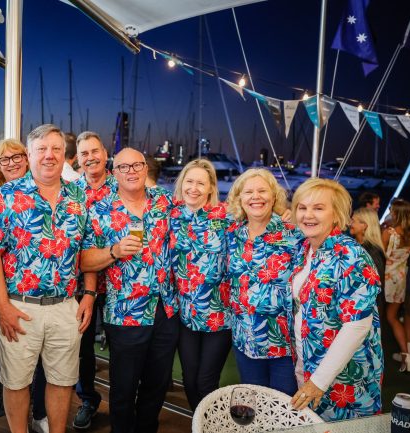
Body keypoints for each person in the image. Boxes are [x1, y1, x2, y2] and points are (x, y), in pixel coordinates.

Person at [0, 124, 94, 433]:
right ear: (29, 154)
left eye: (56, 149)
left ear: (64, 155)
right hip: (20, 307)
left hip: (66, 306)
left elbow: (87, 249)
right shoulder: (5, 197)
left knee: (62, 380)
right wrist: (2, 307)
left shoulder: (79, 196)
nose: (49, 155)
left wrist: (89, 294)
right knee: (16, 382)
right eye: (42, 149)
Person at [81, 147, 178, 433]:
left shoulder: (165, 201)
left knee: (156, 385)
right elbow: (84, 260)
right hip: (125, 313)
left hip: (165, 309)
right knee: (123, 388)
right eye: (124, 167)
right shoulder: (99, 210)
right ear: (114, 173)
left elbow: (201, 214)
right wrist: (114, 251)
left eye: (137, 165)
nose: (131, 171)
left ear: (146, 169)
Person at [290, 178, 383, 421]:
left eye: (318, 208)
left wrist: (318, 382)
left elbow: (357, 326)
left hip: (345, 376)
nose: (308, 214)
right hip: (307, 362)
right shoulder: (305, 249)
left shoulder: (351, 255)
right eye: (302, 207)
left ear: (337, 215)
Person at [0, 139, 48, 433]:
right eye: (3, 159)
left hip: (49, 298)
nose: (11, 163)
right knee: (16, 373)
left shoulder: (47, 192)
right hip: (12, 297)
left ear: (27, 158)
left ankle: (41, 415)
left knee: (48, 370)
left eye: (16, 157)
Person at [224, 168, 299, 396]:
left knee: (284, 406)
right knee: (254, 404)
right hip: (245, 340)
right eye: (248, 192)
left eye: (262, 191)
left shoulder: (293, 234)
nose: (255, 197)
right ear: (240, 198)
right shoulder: (232, 233)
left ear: (274, 196)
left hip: (284, 345)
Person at [170, 159, 232, 411]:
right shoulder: (172, 215)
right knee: (189, 379)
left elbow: (260, 218)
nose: (193, 188)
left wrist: (284, 213)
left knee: (206, 381)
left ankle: (209, 425)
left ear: (211, 188)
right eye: (189, 181)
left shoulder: (226, 216)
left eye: (200, 183)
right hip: (186, 316)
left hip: (220, 317)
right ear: (181, 183)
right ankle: (200, 422)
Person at [71, 131, 116, 430]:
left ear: (105, 153)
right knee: (81, 348)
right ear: (78, 159)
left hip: (119, 282)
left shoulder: (123, 186)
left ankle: (125, 400)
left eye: (95, 151)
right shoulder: (71, 192)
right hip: (80, 285)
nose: (91, 157)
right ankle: (88, 399)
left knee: (123, 348)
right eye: (84, 153)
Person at [382, 199, 410, 372]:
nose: (390, 212)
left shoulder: (389, 233)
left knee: (387, 316)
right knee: (394, 315)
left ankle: (405, 355)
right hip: (402, 278)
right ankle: (408, 357)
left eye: (391, 210)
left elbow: (380, 256)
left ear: (397, 213)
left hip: (386, 277)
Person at [349, 207, 386, 316]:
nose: (350, 223)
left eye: (353, 221)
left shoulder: (372, 251)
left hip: (366, 308)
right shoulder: (356, 244)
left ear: (364, 225)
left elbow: (374, 284)